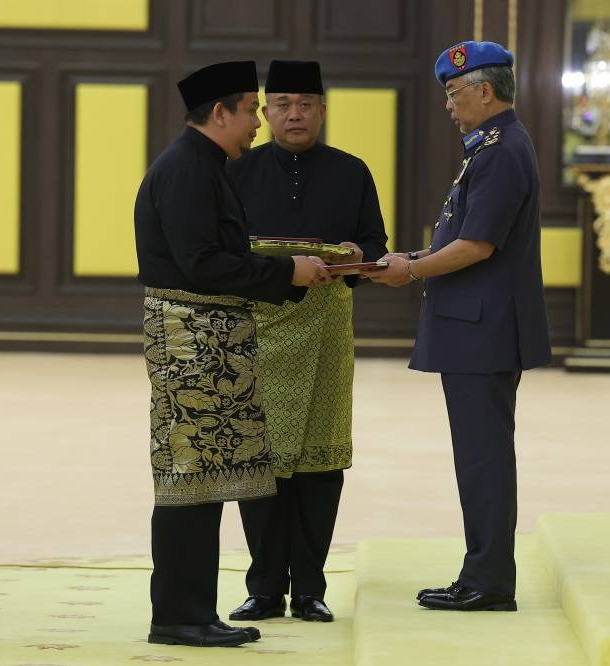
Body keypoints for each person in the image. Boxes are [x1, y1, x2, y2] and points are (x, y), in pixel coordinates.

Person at [133, 60, 332, 647]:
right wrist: (286, 270)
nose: (258, 123)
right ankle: (177, 616)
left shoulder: (205, 164)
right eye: (251, 111)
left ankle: (193, 609)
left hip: (211, 342)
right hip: (192, 343)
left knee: (207, 481)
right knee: (189, 481)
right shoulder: (189, 170)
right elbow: (203, 264)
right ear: (219, 113)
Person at [368, 41, 552, 612]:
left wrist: (412, 270)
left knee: (483, 460)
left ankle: (489, 582)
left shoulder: (500, 151)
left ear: (484, 91)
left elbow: (478, 244)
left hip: (482, 329)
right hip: (477, 325)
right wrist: (414, 256)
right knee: (479, 457)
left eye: (454, 93)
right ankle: (483, 573)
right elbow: (463, 236)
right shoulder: (492, 147)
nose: (449, 105)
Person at [225, 60, 388, 623]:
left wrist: (347, 253)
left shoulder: (352, 171)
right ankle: (265, 587)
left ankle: (311, 587)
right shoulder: (237, 171)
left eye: (307, 104)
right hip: (258, 328)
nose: (295, 115)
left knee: (320, 462)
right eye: (283, 104)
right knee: (261, 457)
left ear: (322, 110)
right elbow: (222, 250)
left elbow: (374, 244)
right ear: (266, 112)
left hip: (325, 328)